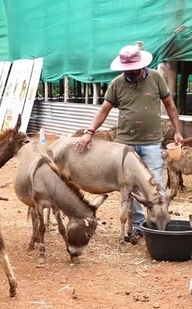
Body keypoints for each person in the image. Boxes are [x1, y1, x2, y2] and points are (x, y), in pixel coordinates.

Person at [75, 44, 183, 242]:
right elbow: (104, 111)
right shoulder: (117, 83)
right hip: (125, 145)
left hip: (151, 142)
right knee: (130, 187)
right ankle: (139, 225)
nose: (131, 70)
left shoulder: (156, 78)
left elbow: (170, 105)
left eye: (134, 66)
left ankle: (159, 220)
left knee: (155, 183)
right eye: (127, 67)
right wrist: (90, 131)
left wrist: (177, 131)